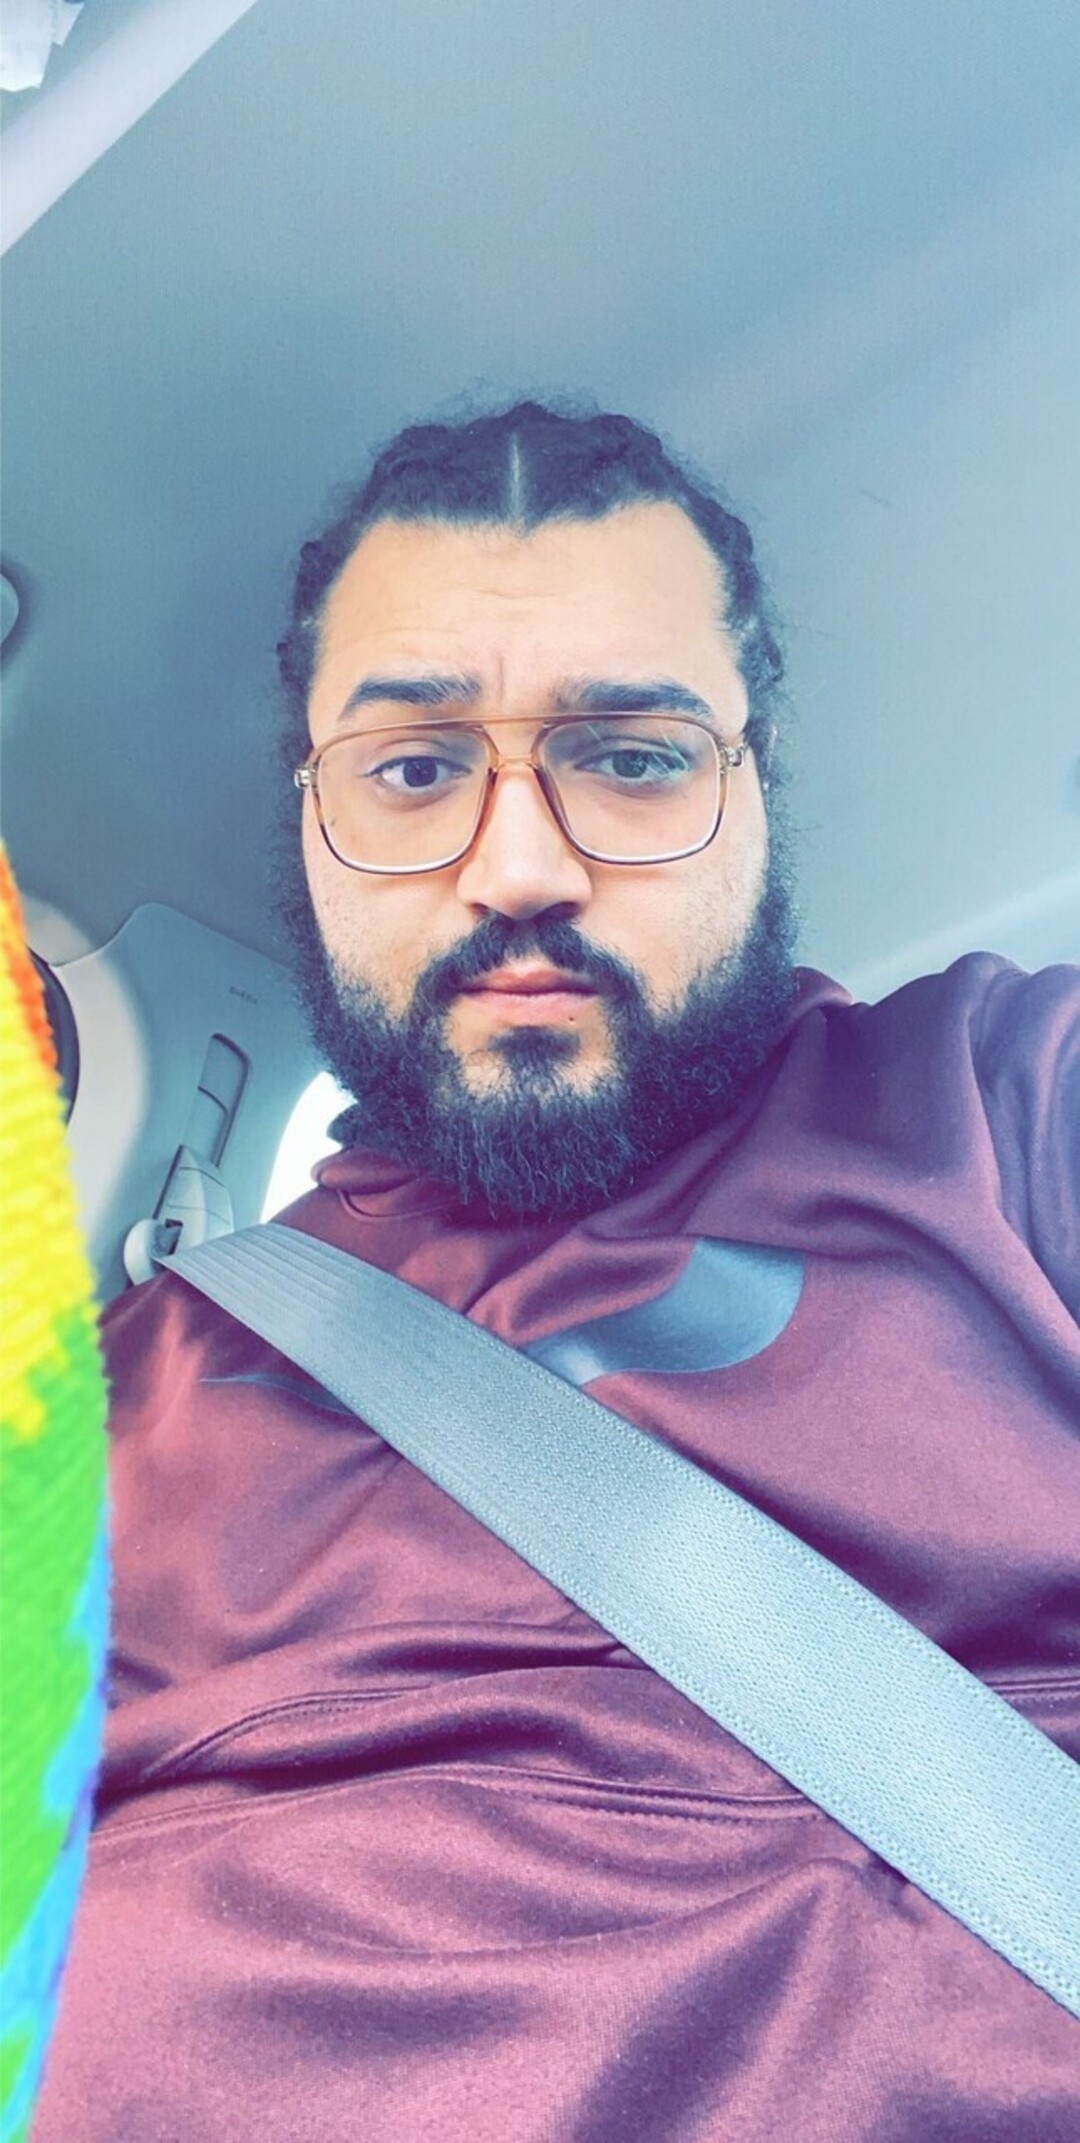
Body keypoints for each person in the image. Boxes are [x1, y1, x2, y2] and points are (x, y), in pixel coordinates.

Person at [35, 401, 1079, 2141]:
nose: (519, 866)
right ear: (310, 815)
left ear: (755, 787)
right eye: (414, 770)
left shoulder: (1007, 1105)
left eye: (633, 758)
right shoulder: (95, 1419)